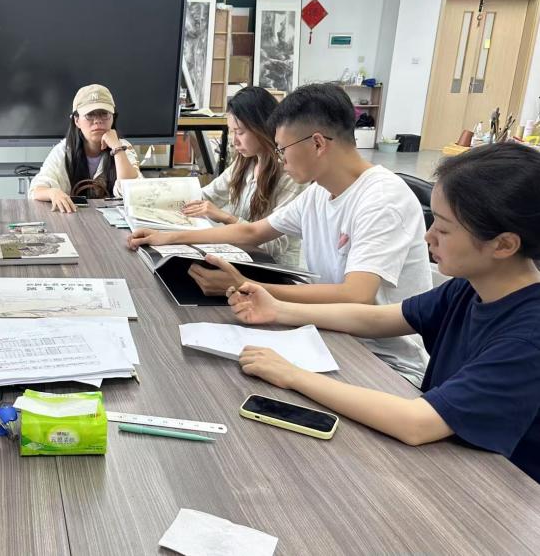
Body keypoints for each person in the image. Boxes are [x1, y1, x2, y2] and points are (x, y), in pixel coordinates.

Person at [229, 142, 540, 483]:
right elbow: (379, 318)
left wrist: (291, 374)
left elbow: (415, 423)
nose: (428, 237)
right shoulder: (471, 287)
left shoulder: (528, 338)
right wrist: (278, 310)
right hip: (448, 458)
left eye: (443, 228)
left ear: (503, 245)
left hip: (500, 489)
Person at [128, 83, 432, 384]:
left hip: (384, 363)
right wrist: (167, 237)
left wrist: (247, 285)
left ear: (317, 143)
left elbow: (356, 295)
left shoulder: (382, 199)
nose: (280, 158)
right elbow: (252, 232)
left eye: (283, 148)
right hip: (329, 334)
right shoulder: (318, 193)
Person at [181, 86, 307, 266]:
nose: (234, 141)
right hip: (240, 257)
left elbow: (275, 246)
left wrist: (226, 218)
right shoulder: (245, 163)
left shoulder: (290, 175)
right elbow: (206, 195)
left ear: (262, 127)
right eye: (232, 132)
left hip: (271, 268)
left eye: (240, 132)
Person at [28, 84, 140, 212]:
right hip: (74, 217)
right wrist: (52, 193)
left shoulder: (123, 147)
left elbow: (134, 191)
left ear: (113, 118)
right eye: (90, 115)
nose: (97, 121)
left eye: (104, 114)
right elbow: (36, 190)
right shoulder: (64, 150)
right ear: (77, 121)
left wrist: (117, 148)